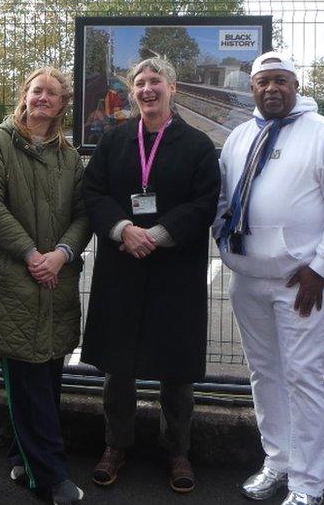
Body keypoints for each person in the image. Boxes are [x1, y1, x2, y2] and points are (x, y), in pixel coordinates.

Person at [214, 51, 324, 505]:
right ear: (253, 88)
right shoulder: (239, 136)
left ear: (296, 86)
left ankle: (307, 483)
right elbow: (224, 201)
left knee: (302, 378)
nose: (271, 89)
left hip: (300, 282)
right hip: (248, 279)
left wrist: (323, 266)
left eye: (281, 80)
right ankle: (276, 462)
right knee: (264, 375)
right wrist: (226, 249)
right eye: (263, 81)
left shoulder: (323, 134)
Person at [81, 57, 220, 494]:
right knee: (117, 368)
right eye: (139, 83)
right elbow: (94, 192)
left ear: (172, 88)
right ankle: (115, 444)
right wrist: (125, 229)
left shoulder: (197, 145)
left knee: (175, 369)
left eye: (154, 81)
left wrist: (157, 235)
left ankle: (177, 450)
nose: (146, 90)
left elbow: (204, 203)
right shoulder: (114, 139)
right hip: (123, 265)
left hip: (174, 271)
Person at [0, 67, 89, 504]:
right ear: (24, 95)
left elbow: (83, 214)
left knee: (49, 376)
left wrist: (61, 253)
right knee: (26, 379)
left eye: (52, 94)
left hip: (57, 278)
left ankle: (21, 455)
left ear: (62, 105)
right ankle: (50, 474)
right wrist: (31, 255)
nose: (43, 98)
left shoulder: (69, 155)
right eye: (36, 90)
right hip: (17, 278)